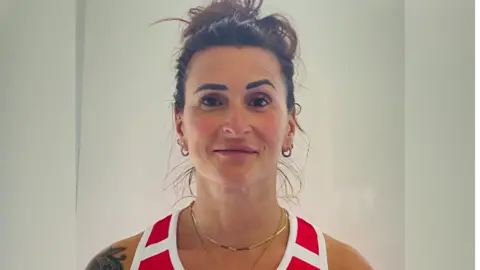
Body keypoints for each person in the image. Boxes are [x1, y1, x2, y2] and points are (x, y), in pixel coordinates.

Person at [86, 0, 373, 269]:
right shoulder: (122, 264)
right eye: (211, 101)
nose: (235, 126)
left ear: (290, 125)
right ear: (180, 124)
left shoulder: (341, 266)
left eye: (259, 101)